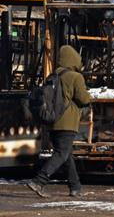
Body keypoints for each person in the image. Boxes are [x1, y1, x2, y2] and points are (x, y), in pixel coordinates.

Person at [26, 45, 92, 198]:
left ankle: (75, 187)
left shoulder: (53, 76)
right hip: (67, 123)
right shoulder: (76, 77)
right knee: (62, 154)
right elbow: (84, 99)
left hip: (52, 121)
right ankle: (39, 181)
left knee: (66, 155)